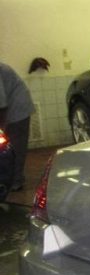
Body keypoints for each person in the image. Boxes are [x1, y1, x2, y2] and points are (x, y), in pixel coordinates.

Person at [0, 62, 34, 191]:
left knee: (15, 147)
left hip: (18, 110)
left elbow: (2, 105)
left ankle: (15, 181)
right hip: (8, 108)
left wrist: (1, 130)